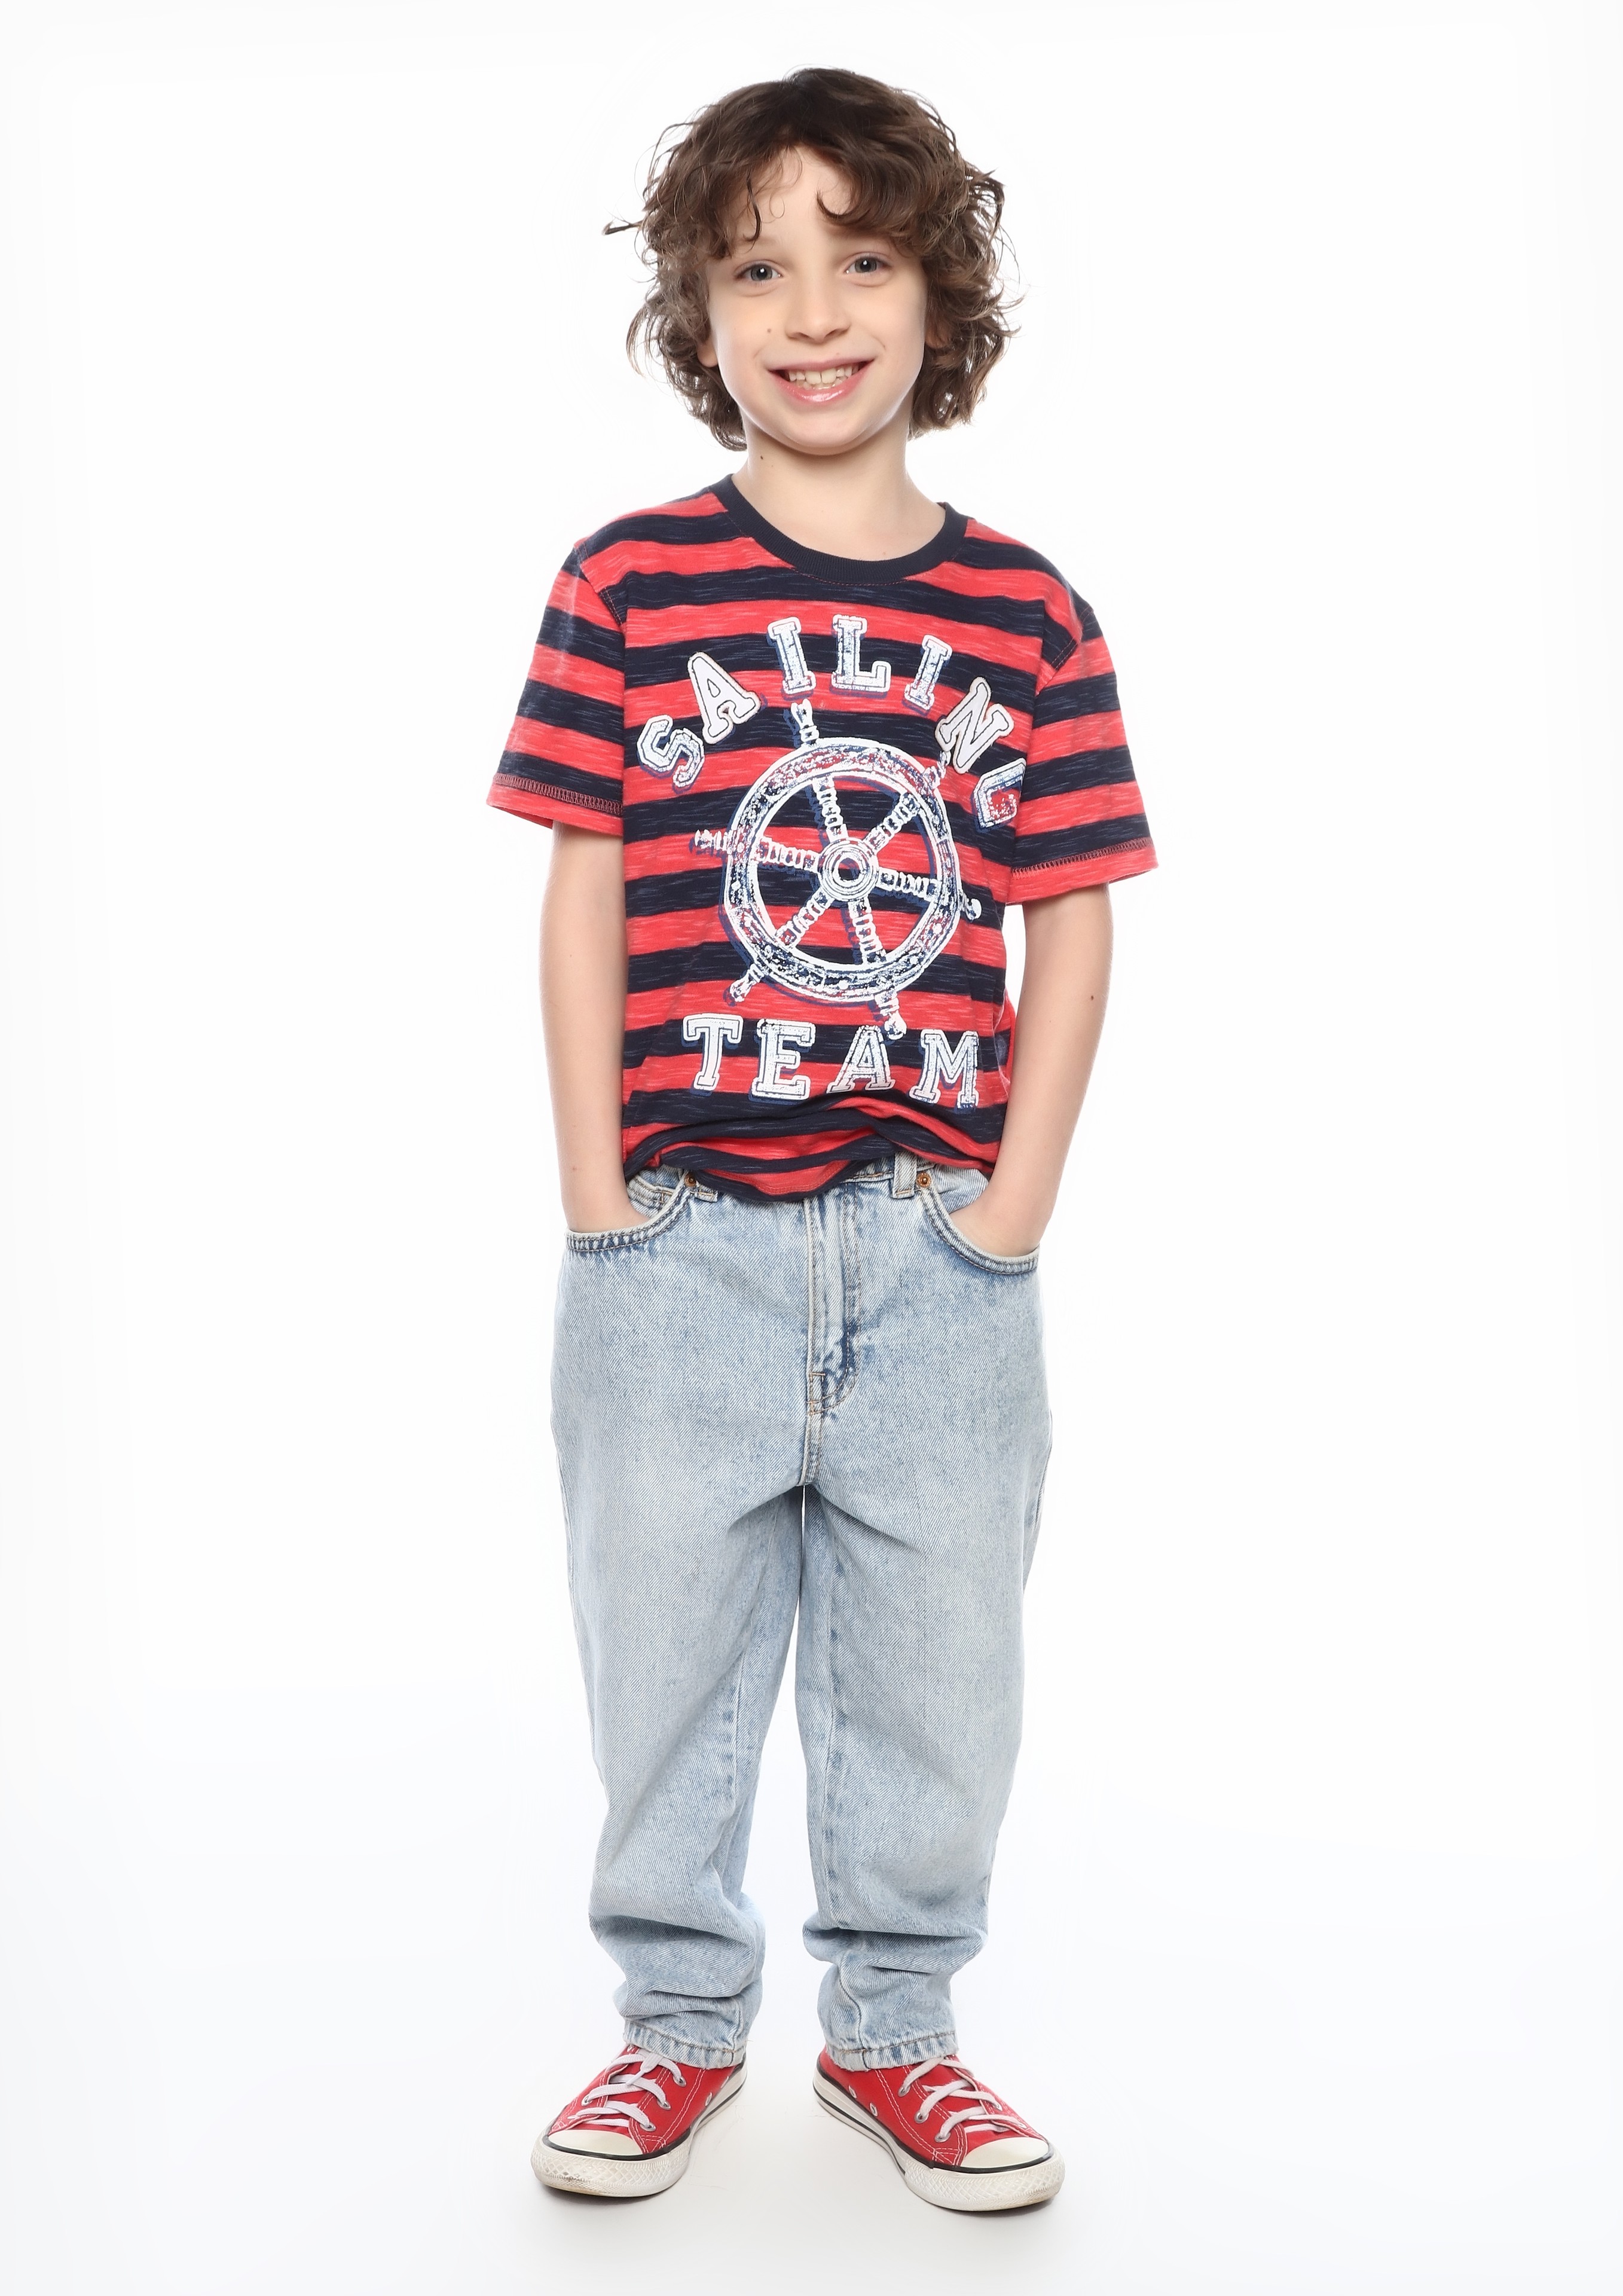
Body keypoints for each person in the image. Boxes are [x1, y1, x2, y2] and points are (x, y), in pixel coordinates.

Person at [487, 67, 1156, 2213]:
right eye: (755, 267)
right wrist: (597, 1202)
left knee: (944, 1668)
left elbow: (1073, 915)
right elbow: (584, 885)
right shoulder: (624, 584)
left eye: (859, 261)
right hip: (674, 1234)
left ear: (935, 298)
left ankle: (894, 2035)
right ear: (696, 314)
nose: (809, 312)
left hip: (936, 1244)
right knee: (661, 1658)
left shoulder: (1029, 616)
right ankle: (675, 2032)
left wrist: (1007, 1220)